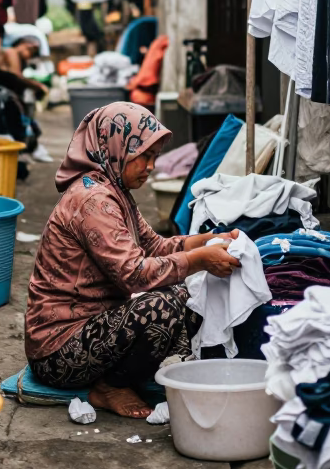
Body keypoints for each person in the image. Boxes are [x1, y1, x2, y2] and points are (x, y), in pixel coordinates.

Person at [24, 102, 240, 418]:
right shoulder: (93, 201)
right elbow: (134, 276)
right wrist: (199, 260)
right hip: (58, 351)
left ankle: (119, 376)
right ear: (116, 148)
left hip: (94, 331)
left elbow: (155, 246)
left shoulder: (115, 191)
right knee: (160, 307)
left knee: (187, 297)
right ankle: (110, 386)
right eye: (145, 156)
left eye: (154, 157)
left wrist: (207, 241)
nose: (151, 166)